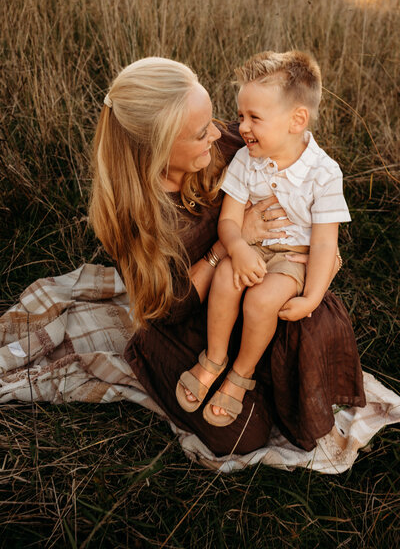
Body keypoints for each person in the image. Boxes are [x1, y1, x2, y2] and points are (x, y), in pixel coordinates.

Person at [89, 56, 365, 456]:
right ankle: (163, 358)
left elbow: (306, 189)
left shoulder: (235, 145)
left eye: (216, 120)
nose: (221, 133)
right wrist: (228, 245)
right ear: (159, 148)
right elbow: (169, 307)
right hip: (193, 313)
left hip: (259, 282)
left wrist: (312, 258)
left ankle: (255, 375)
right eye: (202, 132)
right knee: (243, 435)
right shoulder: (135, 215)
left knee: (309, 324)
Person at [176, 51, 351, 428]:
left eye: (255, 117)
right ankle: (214, 358)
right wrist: (238, 249)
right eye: (240, 116)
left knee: (260, 300)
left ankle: (240, 374)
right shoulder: (246, 160)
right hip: (253, 247)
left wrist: (312, 297)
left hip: (293, 256)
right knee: (225, 277)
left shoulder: (323, 173)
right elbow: (229, 221)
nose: (242, 127)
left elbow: (324, 243)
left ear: (296, 120)